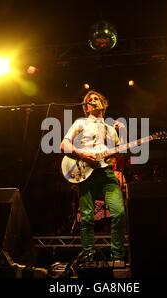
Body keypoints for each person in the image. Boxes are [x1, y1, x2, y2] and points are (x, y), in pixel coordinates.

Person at [61, 90, 126, 262]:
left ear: (103, 104)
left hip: (106, 173)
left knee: (119, 213)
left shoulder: (111, 130)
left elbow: (120, 154)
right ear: (86, 108)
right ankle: (88, 258)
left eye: (96, 99)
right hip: (85, 172)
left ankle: (117, 258)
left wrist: (123, 135)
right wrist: (81, 154)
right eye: (89, 100)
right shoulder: (80, 123)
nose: (92, 101)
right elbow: (64, 145)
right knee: (87, 218)